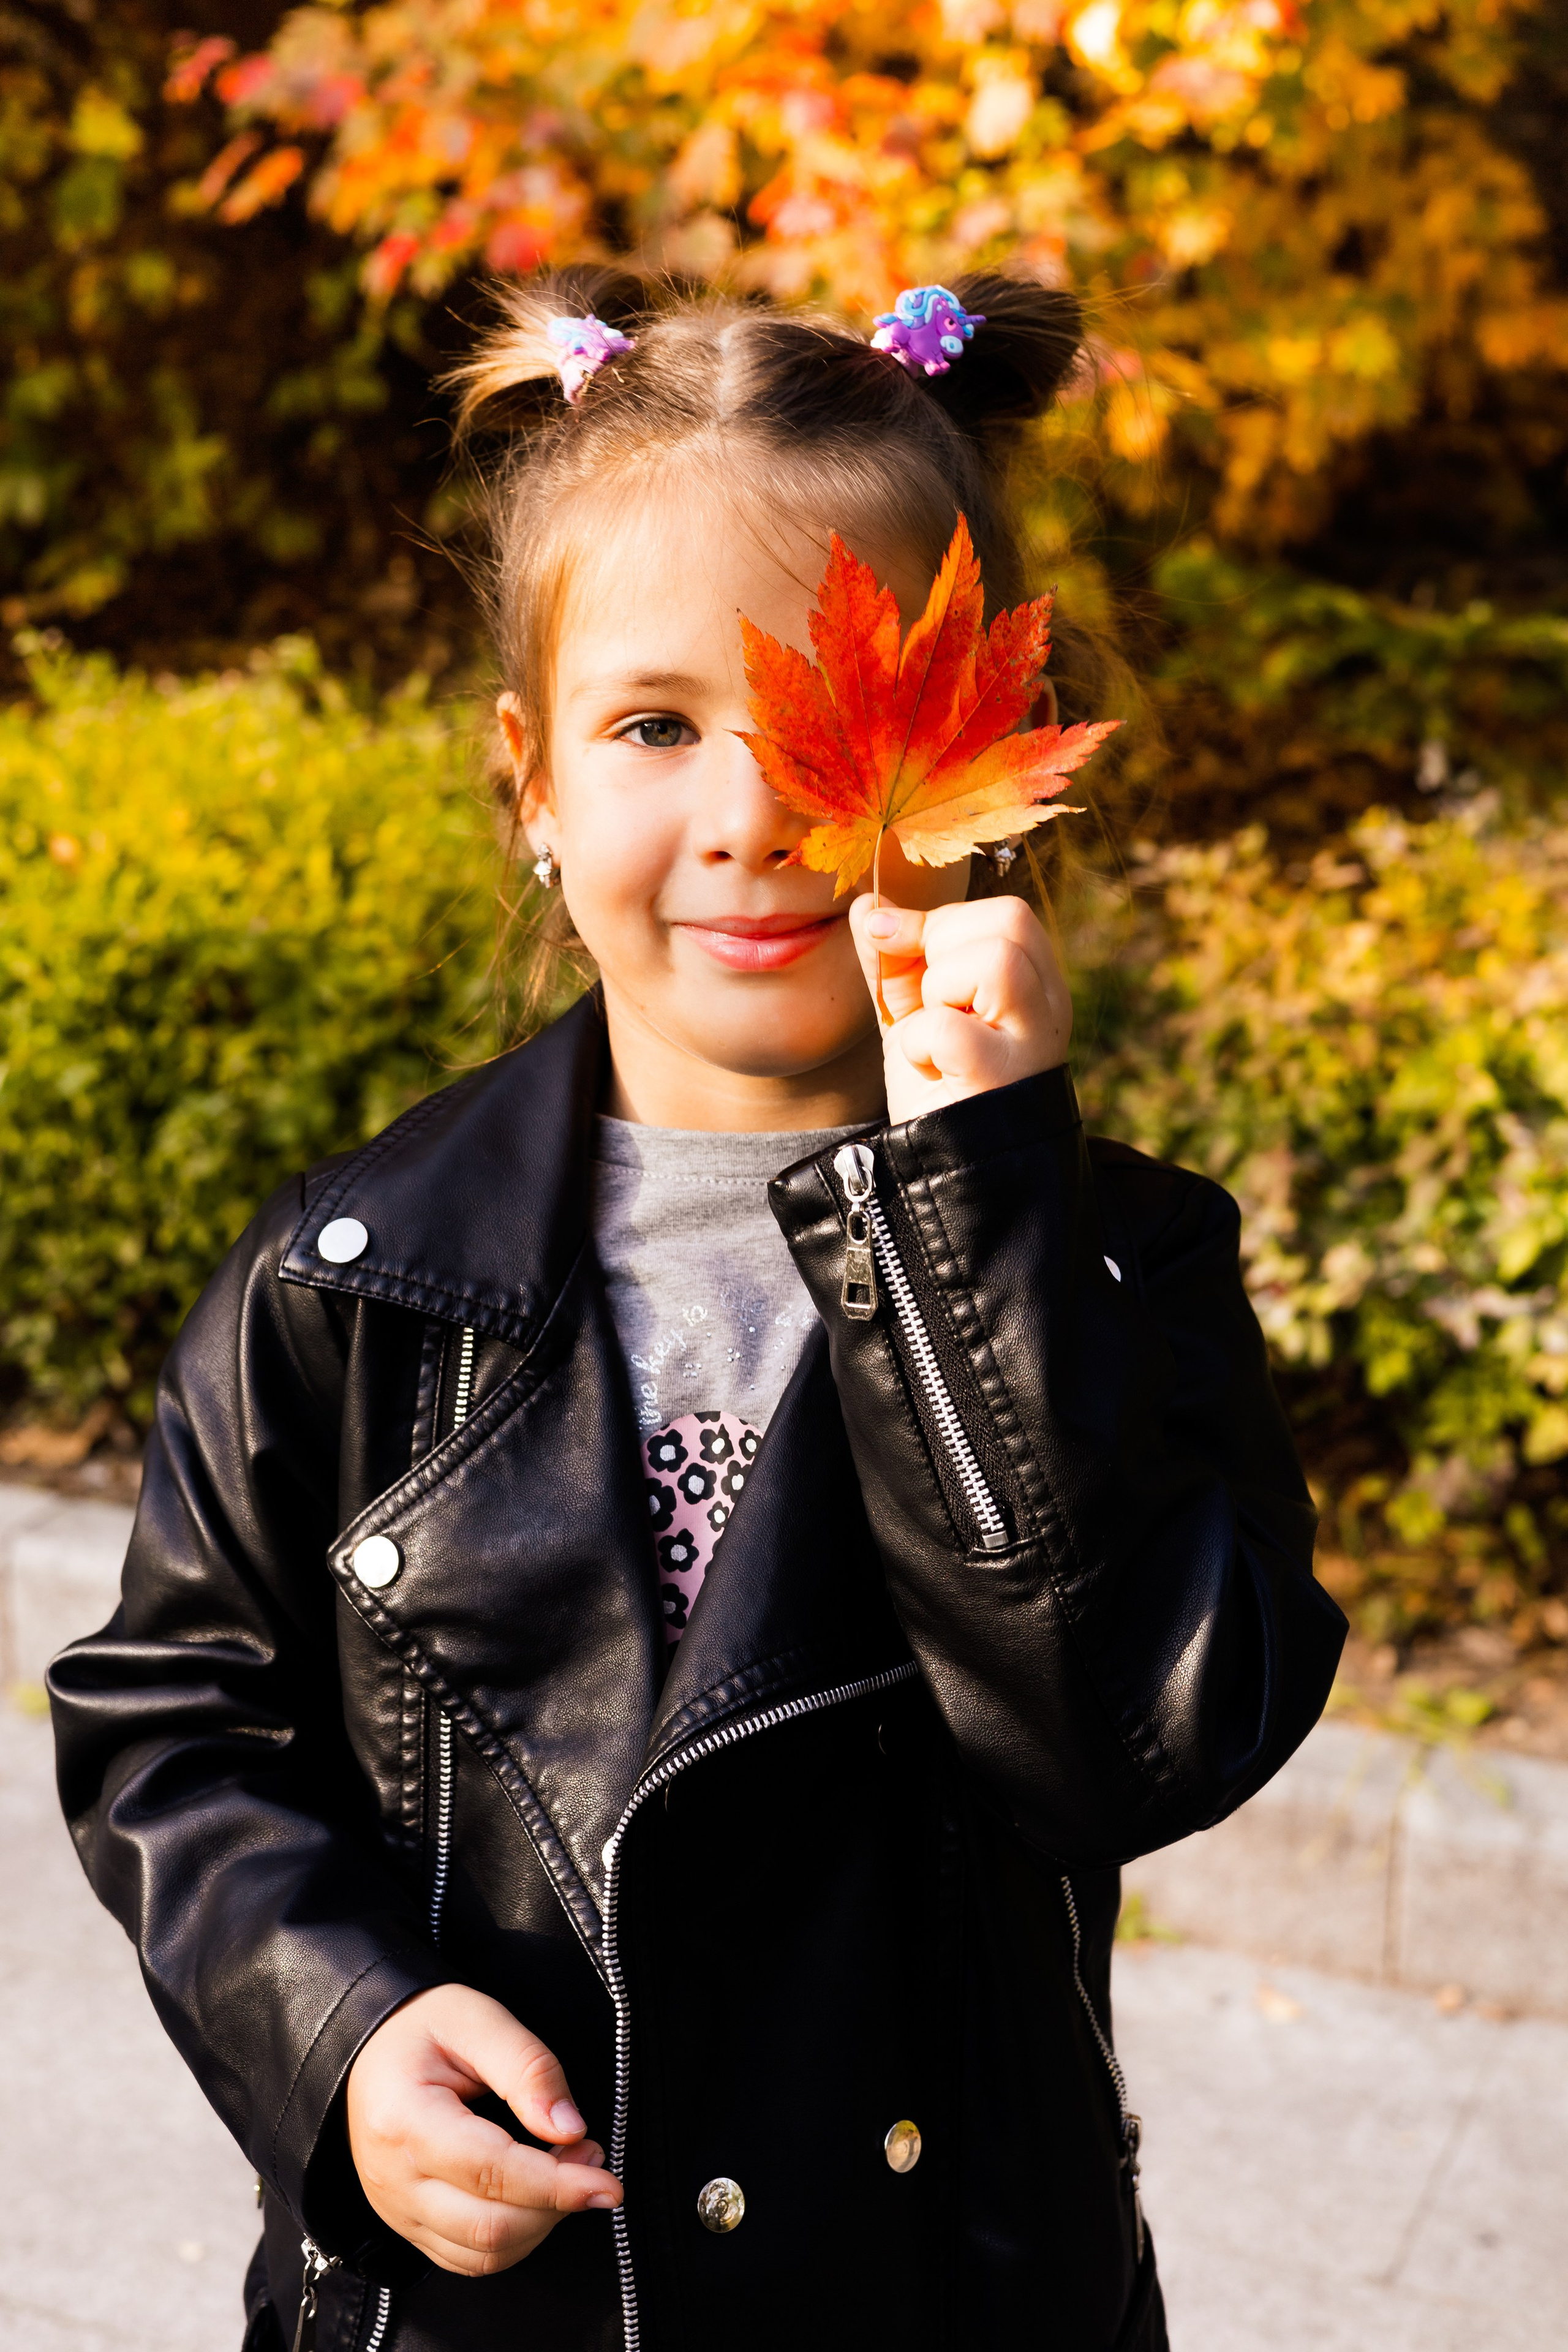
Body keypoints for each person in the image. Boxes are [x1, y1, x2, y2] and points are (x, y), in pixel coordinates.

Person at [49, 268, 1346, 2352]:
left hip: (936, 2289)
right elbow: (179, 1723)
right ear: (533, 780)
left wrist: (974, 1203)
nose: (751, 812)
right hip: (502, 2297)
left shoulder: (1114, 1264)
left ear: (996, 758)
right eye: (656, 725)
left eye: (845, 728)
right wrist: (345, 2036)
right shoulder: (357, 1282)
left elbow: (1127, 1743)